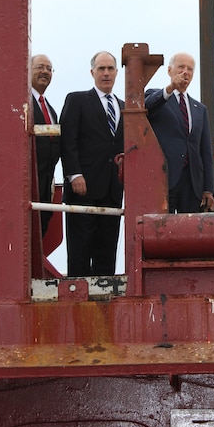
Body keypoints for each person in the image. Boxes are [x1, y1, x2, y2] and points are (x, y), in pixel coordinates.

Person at [60, 51, 124, 276]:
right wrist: (74, 174)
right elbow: (68, 140)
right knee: (80, 249)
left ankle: (105, 298)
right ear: (92, 72)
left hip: (112, 190)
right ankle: (77, 295)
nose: (106, 73)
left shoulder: (125, 107)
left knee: (107, 248)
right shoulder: (76, 100)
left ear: (117, 72)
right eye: (101, 69)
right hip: (83, 188)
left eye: (110, 69)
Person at [145, 52, 214, 213]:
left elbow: (205, 151)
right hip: (164, 179)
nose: (185, 72)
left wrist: (208, 188)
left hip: (192, 184)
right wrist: (170, 88)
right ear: (170, 71)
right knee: (163, 230)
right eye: (181, 67)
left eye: (190, 69)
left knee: (190, 233)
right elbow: (147, 107)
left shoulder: (200, 109)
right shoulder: (158, 96)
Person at [31, 54, 60, 236]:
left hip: (45, 194)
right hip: (26, 191)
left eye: (49, 69)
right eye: (40, 67)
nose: (45, 72)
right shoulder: (21, 104)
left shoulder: (51, 110)